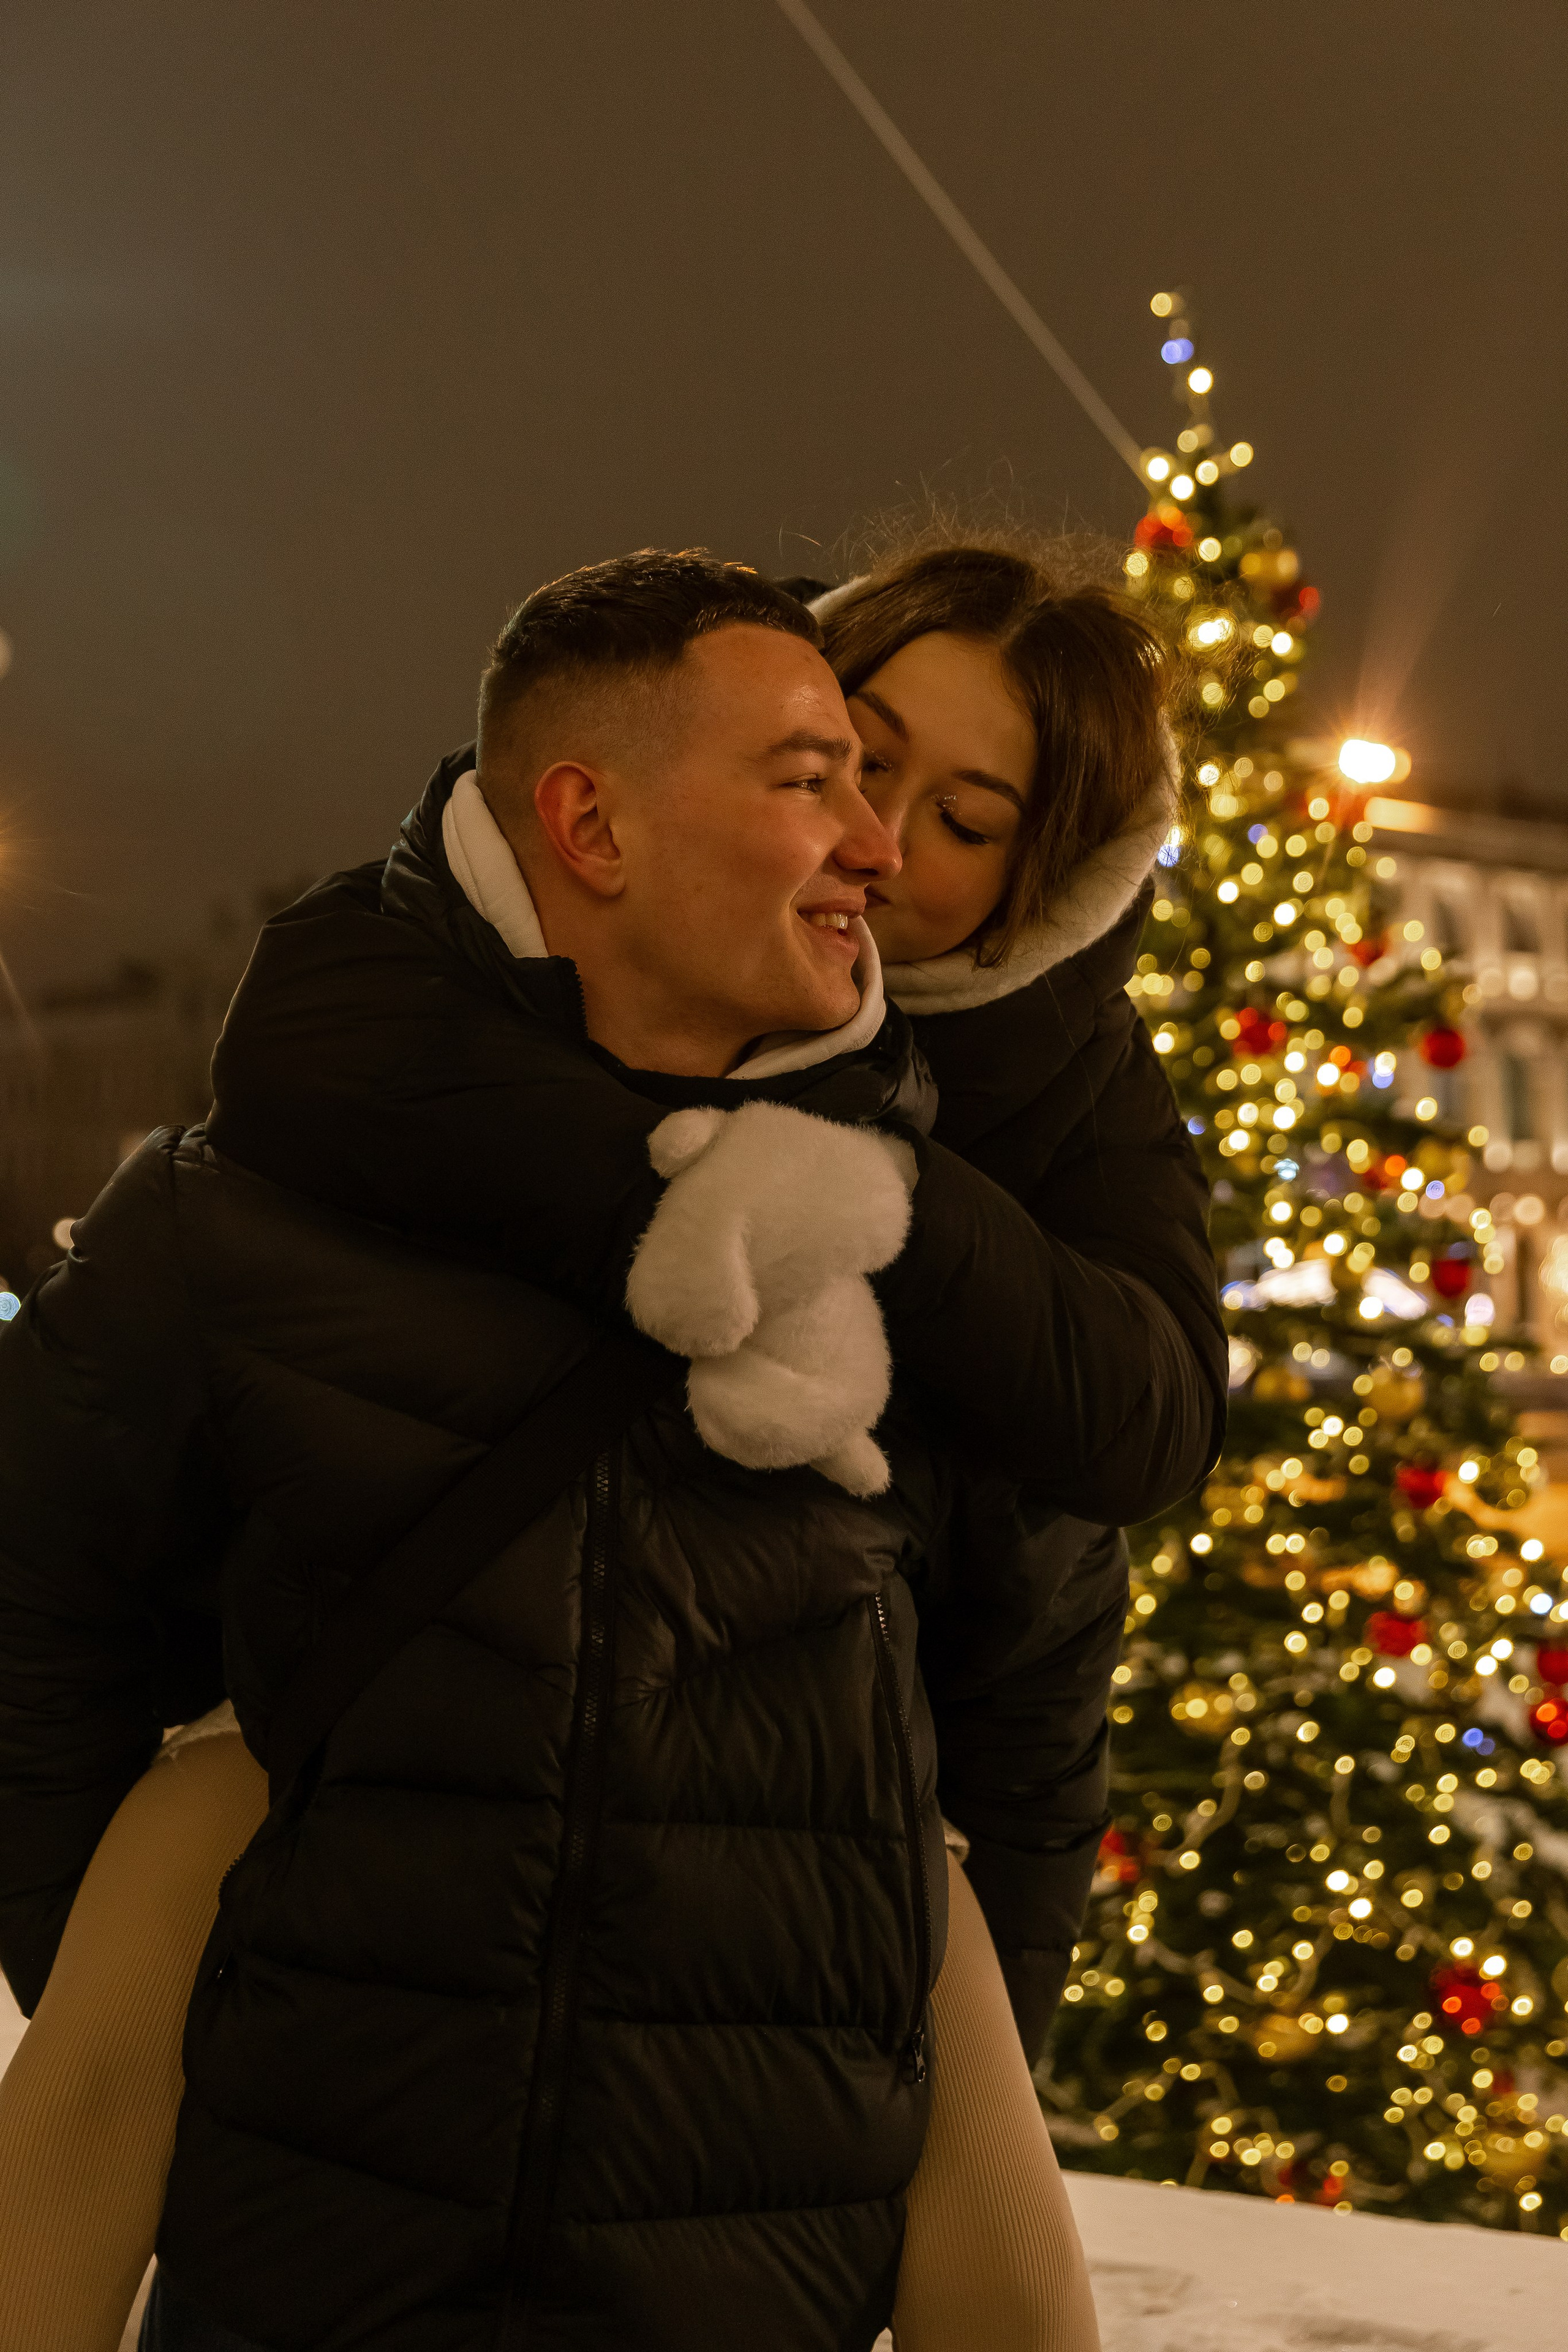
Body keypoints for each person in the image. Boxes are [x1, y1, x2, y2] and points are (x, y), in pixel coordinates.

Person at [0, 544, 1222, 2351]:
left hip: (745, 2249)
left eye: (954, 816)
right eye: (832, 768)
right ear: (594, 823)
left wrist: (894, 2065)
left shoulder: (962, 1289)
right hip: (326, 2246)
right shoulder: (275, 1187)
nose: (879, 842)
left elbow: (1027, 1737)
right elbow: (38, 1612)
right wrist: (196, 1975)